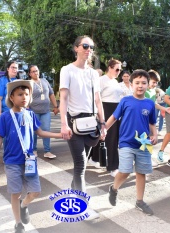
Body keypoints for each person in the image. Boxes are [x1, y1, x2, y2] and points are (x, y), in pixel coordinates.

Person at [0, 80, 62, 233]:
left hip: (29, 161)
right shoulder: (5, 117)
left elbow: (40, 133)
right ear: (11, 97)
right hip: (12, 162)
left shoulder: (30, 115)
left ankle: (24, 205)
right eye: (20, 94)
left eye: (27, 94)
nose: (24, 97)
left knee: (35, 191)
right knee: (15, 193)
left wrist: (60, 135)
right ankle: (18, 223)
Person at [59, 35, 106, 219]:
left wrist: (103, 124)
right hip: (74, 123)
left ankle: (74, 192)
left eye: (91, 47)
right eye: (85, 46)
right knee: (80, 165)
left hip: (91, 124)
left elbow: (98, 100)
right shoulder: (67, 70)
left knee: (83, 164)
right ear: (76, 48)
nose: (88, 49)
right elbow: (63, 98)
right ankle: (83, 206)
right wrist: (63, 123)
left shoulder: (93, 73)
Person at [107, 69, 157, 215]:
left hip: (144, 143)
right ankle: (114, 188)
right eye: (137, 83)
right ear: (132, 84)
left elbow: (152, 122)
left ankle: (139, 201)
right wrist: (104, 130)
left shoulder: (150, 103)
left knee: (142, 173)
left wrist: (154, 135)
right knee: (125, 170)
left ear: (148, 85)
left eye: (143, 83)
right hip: (126, 142)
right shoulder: (125, 101)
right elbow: (114, 117)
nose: (140, 86)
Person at [91, 59, 123, 177]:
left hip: (116, 109)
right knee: (111, 139)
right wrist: (98, 114)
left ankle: (94, 158)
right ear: (110, 67)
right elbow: (96, 99)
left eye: (120, 69)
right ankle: (113, 167)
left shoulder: (115, 81)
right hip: (106, 109)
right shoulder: (101, 80)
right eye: (117, 69)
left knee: (107, 137)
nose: (119, 72)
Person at [28, 65, 59, 158]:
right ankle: (33, 150)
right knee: (34, 131)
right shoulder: (29, 83)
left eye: (36, 70)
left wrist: (56, 106)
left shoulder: (44, 81)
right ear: (29, 74)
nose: (35, 73)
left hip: (46, 111)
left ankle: (47, 151)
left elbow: (51, 94)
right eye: (33, 71)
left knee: (46, 130)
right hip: (33, 111)